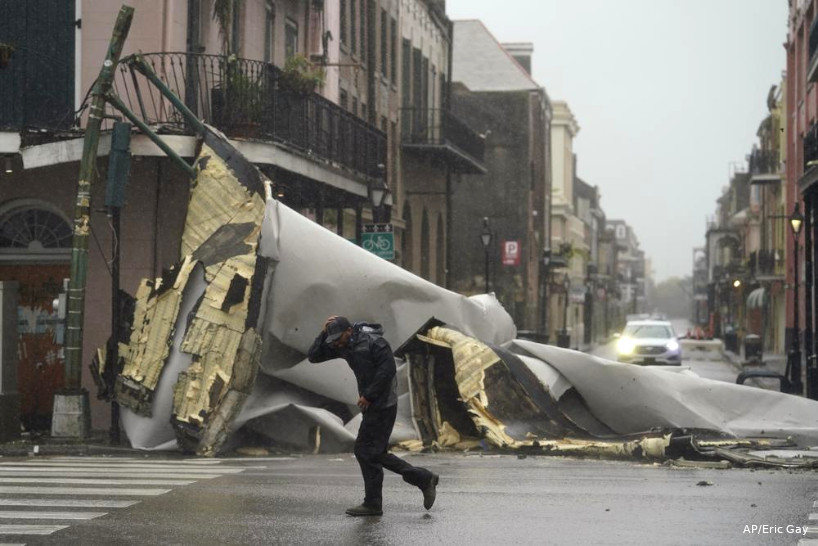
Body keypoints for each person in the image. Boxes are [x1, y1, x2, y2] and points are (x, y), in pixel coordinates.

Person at [308, 315, 439, 517]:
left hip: (384, 403)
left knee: (369, 452)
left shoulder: (374, 342)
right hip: (371, 405)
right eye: (333, 339)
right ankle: (376, 502)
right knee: (368, 452)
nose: (336, 343)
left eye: (338, 337)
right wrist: (324, 332)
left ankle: (420, 479)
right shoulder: (343, 344)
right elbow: (314, 356)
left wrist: (369, 395)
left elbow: (387, 371)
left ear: (349, 331)